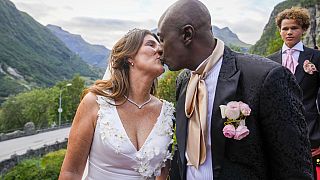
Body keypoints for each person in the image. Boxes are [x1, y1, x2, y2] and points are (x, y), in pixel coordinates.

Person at [157, 0, 313, 179]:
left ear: (187, 34)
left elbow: (294, 168)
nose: (159, 49)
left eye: (162, 39)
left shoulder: (265, 77)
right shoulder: (184, 81)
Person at [59, 29, 175, 180]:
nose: (159, 49)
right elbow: (71, 172)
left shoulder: (166, 113)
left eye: (159, 46)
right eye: (150, 44)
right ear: (130, 57)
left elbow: (163, 173)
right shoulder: (95, 103)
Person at [267, 7, 320, 179]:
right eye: (285, 28)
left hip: (310, 134)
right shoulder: (269, 61)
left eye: (294, 28)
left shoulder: (316, 57)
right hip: (276, 134)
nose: (289, 32)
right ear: (280, 31)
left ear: (303, 30)